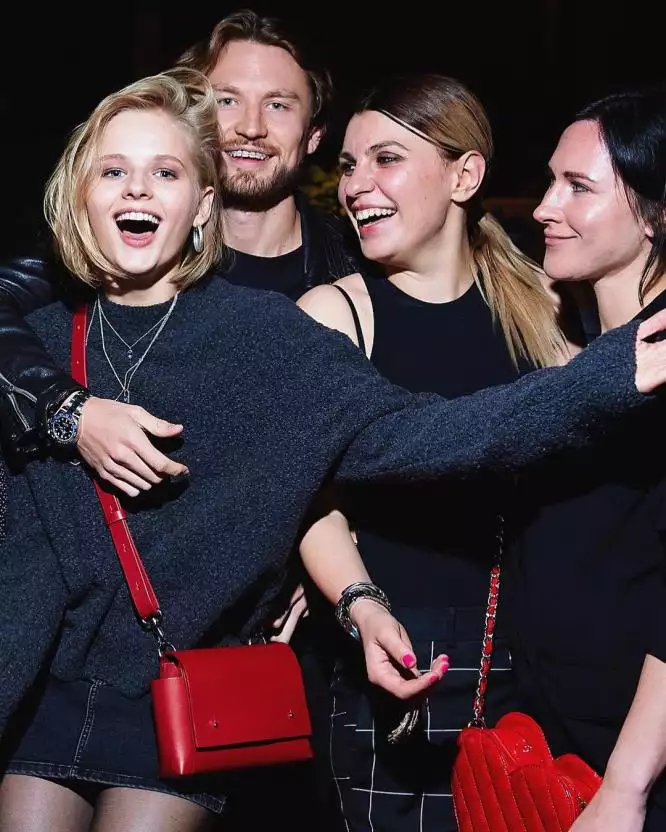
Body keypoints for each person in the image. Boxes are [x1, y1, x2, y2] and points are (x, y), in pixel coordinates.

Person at [2, 67, 666, 832]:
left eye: (166, 172)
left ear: (204, 205)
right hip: (37, 692)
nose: (138, 191)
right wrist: (69, 413)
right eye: (114, 171)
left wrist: (605, 376)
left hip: (178, 694)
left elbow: (421, 435)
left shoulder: (267, 338)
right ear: (79, 191)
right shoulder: (32, 341)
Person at [294, 72, 572, 832]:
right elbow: (310, 498)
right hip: (393, 653)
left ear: (464, 175)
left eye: (386, 159)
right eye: (349, 165)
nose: (356, 185)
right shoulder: (334, 314)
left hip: (533, 659)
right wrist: (361, 606)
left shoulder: (540, 306)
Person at [0, 8, 364, 478]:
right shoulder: (119, 253)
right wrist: (67, 409)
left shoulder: (355, 268)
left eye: (278, 105)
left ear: (313, 134)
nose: (251, 126)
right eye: (227, 100)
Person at [505, 85, 666, 832]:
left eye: (578, 187)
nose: (544, 207)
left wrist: (626, 787)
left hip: (634, 770)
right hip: (554, 742)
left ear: (655, 213)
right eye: (550, 181)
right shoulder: (574, 354)